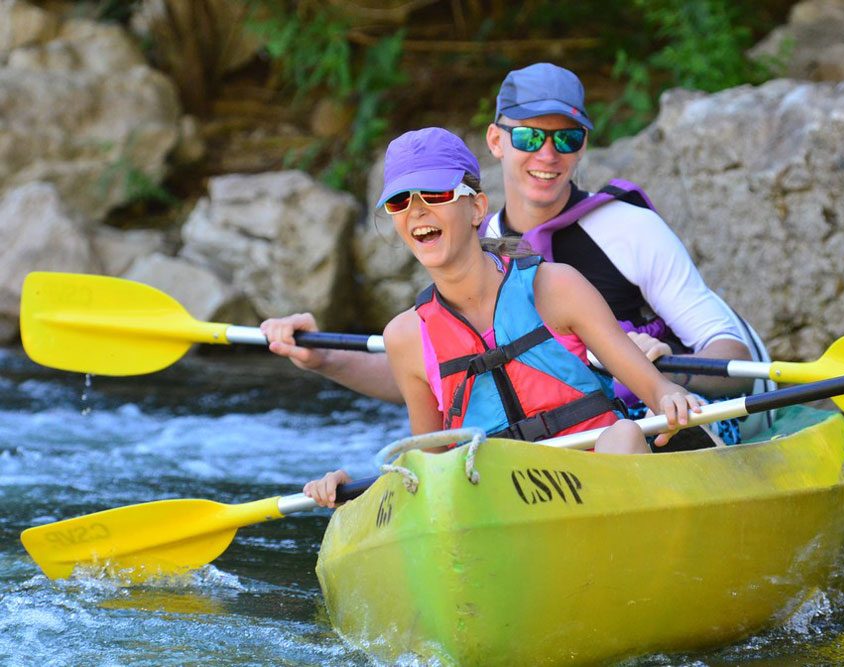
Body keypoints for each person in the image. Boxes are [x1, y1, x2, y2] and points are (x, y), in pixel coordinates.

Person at [263, 62, 771, 444]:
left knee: (625, 436)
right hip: (542, 454)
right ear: (497, 141)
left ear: (582, 146)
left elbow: (734, 353)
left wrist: (661, 369)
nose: (547, 154)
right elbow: (443, 376)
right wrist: (325, 357)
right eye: (529, 135)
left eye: (566, 138)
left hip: (650, 422)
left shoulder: (627, 231)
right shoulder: (476, 249)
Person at [302, 128, 703, 508]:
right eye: (399, 201)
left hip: (597, 481)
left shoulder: (556, 287)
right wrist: (349, 492)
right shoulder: (405, 336)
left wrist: (671, 400)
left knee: (625, 432)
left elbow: (656, 390)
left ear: (476, 208)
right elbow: (428, 471)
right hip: (499, 508)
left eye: (435, 194)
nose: (417, 210)